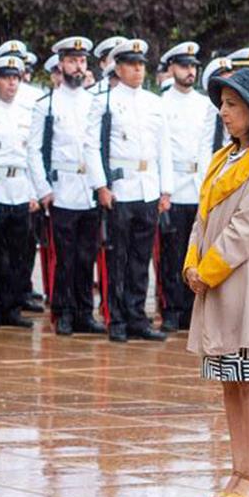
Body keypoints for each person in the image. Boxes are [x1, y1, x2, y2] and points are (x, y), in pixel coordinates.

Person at [185, 68, 249, 497]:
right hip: (215, 279)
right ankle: (237, 467)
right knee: (229, 378)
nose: (224, 112)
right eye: (223, 104)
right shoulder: (224, 156)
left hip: (245, 281)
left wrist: (207, 270)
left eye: (232, 104)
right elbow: (204, 216)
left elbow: (247, 226)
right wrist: (192, 262)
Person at [88, 39, 172, 342]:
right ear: (118, 68)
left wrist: (166, 189)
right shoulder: (104, 101)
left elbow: (164, 147)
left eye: (141, 65)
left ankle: (137, 316)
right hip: (121, 187)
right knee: (118, 257)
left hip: (148, 187)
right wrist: (101, 185)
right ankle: (117, 318)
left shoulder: (154, 102)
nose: (138, 70)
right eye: (131, 65)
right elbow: (92, 146)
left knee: (140, 257)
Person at [29, 36, 105, 336]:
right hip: (62, 188)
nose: (78, 66)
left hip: (90, 186)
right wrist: (43, 189)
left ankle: (85, 311)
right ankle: (63, 312)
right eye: (72, 61)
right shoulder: (46, 104)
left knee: (88, 254)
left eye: (82, 61)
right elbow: (34, 150)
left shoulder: (94, 102)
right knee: (65, 256)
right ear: (61, 64)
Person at [0, 55, 36, 329]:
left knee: (19, 253)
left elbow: (33, 153)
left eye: (16, 77)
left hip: (20, 188)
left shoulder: (27, 108)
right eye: (6, 77)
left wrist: (36, 191)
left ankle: (12, 306)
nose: (12, 83)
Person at [158, 41, 206, 332]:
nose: (190, 72)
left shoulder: (205, 104)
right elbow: (162, 150)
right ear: (172, 68)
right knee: (171, 254)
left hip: (199, 185)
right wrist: (165, 190)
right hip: (174, 186)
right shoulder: (162, 103)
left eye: (193, 67)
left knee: (196, 254)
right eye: (184, 66)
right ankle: (171, 309)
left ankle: (192, 310)